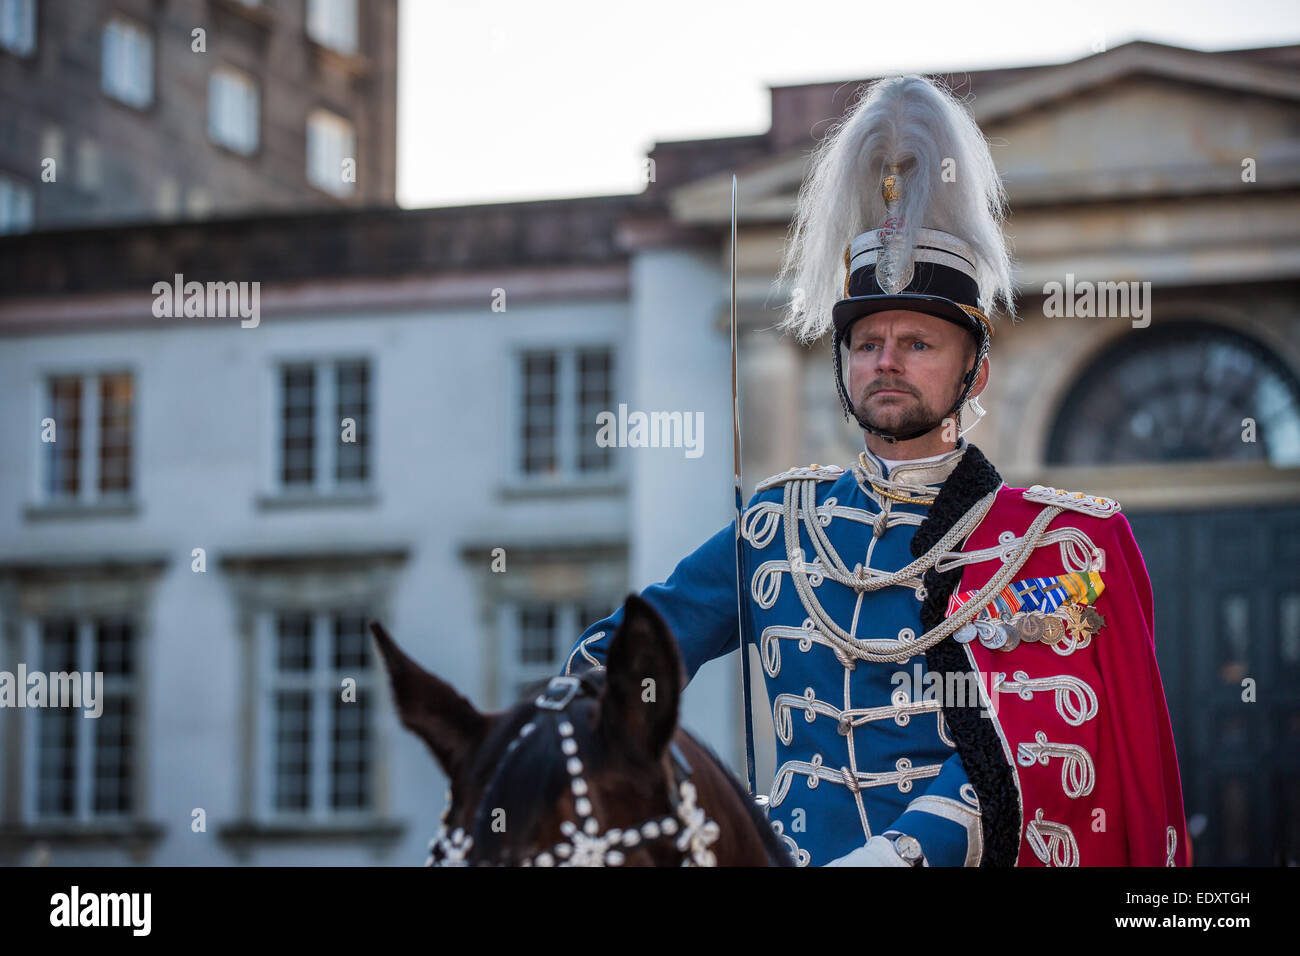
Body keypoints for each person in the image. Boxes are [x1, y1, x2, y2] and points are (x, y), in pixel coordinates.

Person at [562, 75, 1188, 867]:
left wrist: (890, 858)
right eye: (866, 343)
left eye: (918, 344)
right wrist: (542, 729)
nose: (886, 362)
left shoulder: (1050, 547)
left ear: (975, 374)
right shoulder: (778, 526)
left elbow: (1036, 748)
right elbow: (631, 659)